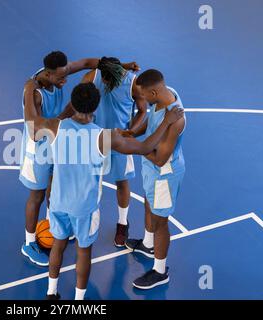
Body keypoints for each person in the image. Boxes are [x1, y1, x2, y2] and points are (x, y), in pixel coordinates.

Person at [22, 80, 184, 299]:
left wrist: (29, 90)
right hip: (85, 207)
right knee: (83, 251)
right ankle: (79, 300)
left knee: (58, 246)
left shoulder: (55, 126)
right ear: (96, 107)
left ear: (73, 104)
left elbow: (31, 123)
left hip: (58, 202)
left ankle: (51, 293)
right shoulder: (104, 137)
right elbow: (145, 147)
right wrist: (167, 121)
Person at [19, 51, 140, 267]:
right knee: (36, 195)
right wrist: (29, 92)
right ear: (48, 74)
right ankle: (30, 243)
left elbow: (87, 62)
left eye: (67, 74)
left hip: (57, 139)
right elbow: (34, 130)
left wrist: (121, 66)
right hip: (39, 146)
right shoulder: (34, 92)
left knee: (54, 186)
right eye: (61, 78)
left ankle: (57, 227)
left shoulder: (58, 73)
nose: (65, 80)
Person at [66, 57, 148, 247]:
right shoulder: (92, 76)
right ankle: (84, 221)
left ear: (112, 78)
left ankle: (122, 223)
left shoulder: (132, 84)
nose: (102, 81)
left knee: (122, 182)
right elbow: (77, 102)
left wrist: (131, 132)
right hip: (96, 140)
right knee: (92, 184)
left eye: (105, 79)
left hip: (120, 141)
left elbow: (143, 110)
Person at [124, 69, 186, 290]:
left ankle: (160, 271)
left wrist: (134, 147)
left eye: (143, 96)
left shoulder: (176, 120)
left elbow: (160, 159)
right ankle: (147, 245)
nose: (141, 100)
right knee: (148, 204)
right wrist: (131, 133)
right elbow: (150, 120)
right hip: (152, 172)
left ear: (153, 92)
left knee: (160, 222)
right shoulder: (164, 94)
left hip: (164, 175)